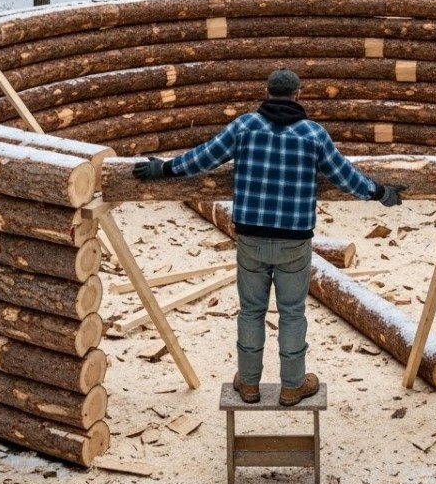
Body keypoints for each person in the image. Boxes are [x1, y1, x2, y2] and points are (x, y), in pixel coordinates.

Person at [133, 68, 404, 406]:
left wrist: (165, 168)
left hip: (251, 238)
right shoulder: (313, 135)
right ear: (298, 95)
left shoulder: (244, 127)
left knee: (251, 312)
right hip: (294, 240)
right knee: (292, 313)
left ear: (267, 92)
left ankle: (248, 384)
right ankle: (292, 385)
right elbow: (345, 176)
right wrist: (380, 192)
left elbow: (203, 158)